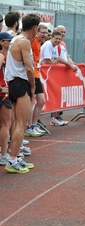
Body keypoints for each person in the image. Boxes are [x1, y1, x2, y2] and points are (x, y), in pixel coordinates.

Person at [4, 13, 40, 174]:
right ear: (34, 28)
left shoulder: (15, 39)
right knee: (21, 124)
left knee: (16, 123)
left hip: (14, 83)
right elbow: (29, 68)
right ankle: (12, 160)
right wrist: (32, 88)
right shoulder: (24, 42)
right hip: (20, 83)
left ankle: (15, 156)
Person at [40, 30, 77, 127]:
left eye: (59, 39)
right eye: (56, 38)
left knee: (55, 95)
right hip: (43, 74)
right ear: (51, 37)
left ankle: (54, 118)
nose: (58, 40)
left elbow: (57, 59)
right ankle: (35, 122)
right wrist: (54, 62)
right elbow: (47, 61)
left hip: (49, 74)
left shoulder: (56, 46)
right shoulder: (48, 45)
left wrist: (70, 65)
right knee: (43, 98)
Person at [25, 23, 48, 137]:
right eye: (42, 32)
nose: (45, 34)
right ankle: (28, 127)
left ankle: (33, 125)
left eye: (46, 32)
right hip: (32, 74)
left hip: (37, 73)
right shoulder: (33, 40)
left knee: (41, 101)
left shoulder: (39, 42)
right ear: (36, 31)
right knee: (31, 101)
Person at [0, 32, 13, 166]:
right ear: (1, 42)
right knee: (5, 125)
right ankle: (3, 155)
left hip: (4, 93)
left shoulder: (6, 56)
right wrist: (1, 88)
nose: (11, 43)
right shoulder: (2, 56)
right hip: (3, 95)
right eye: (9, 41)